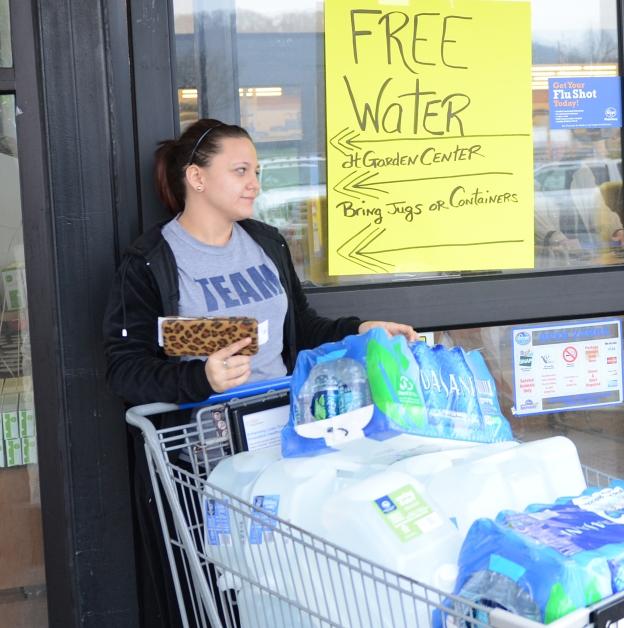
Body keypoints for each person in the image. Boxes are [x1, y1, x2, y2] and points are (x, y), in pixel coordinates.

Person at [102, 118, 419, 626]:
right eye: (241, 170)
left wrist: (360, 329)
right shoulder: (151, 262)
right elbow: (126, 371)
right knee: (225, 589)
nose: (255, 183)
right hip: (206, 453)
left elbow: (303, 328)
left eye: (257, 170)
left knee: (293, 581)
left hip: (287, 435)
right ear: (197, 178)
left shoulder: (265, 243)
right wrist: (199, 380)